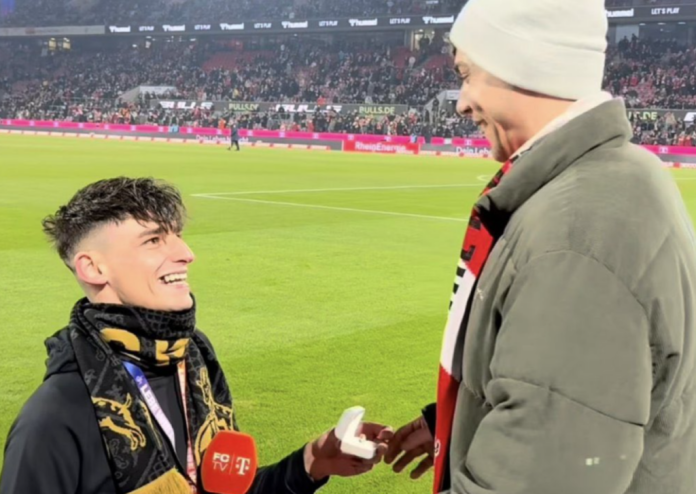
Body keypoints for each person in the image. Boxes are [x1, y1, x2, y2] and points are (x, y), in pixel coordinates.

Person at [385, 0, 696, 493]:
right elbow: (566, 394)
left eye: (467, 74)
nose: (461, 103)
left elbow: (537, 476)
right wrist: (457, 419)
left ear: (522, 62)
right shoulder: (620, 176)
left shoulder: (580, 234)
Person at [0, 177, 392, 494]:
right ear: (93, 268)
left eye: (177, 236)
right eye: (154, 240)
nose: (187, 253)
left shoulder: (194, 362)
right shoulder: (55, 417)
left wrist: (311, 462)